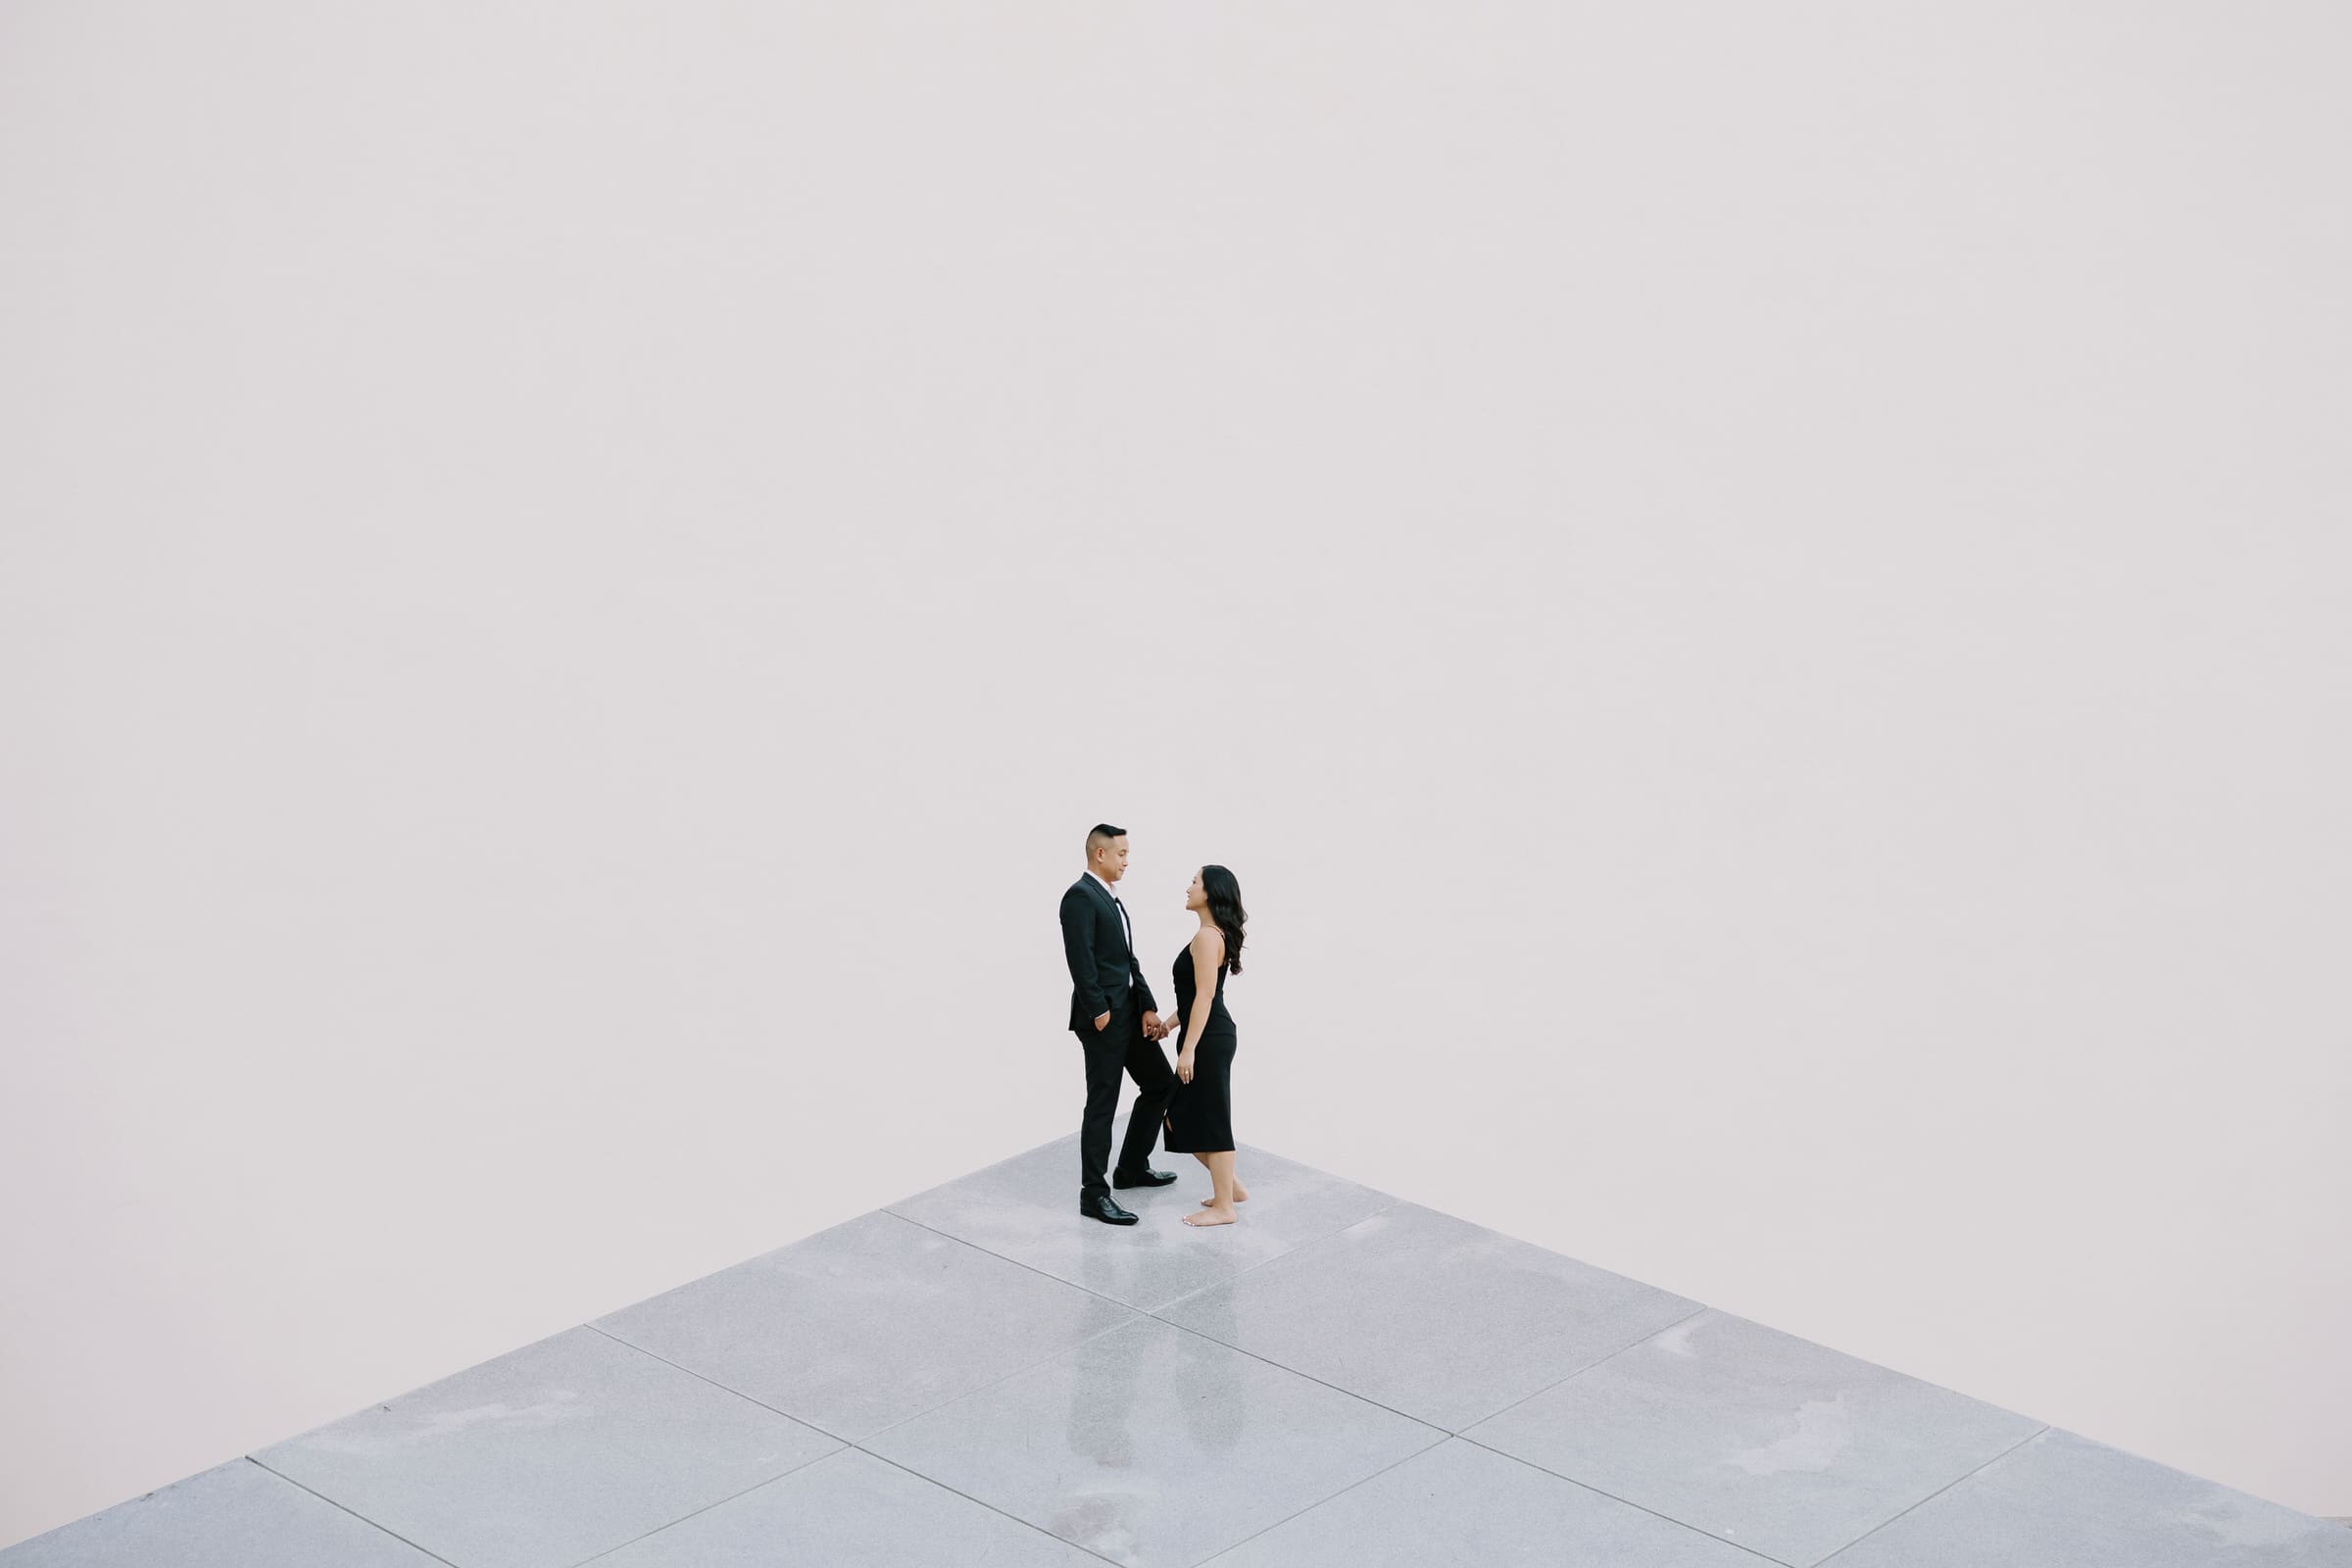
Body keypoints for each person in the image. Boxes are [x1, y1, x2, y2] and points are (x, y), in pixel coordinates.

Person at [1058, 823, 1179, 1225]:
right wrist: (1099, 1011)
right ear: (1100, 855)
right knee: (1103, 1104)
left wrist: (1147, 1005)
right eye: (1122, 853)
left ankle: (1130, 1167)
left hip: (1129, 1012)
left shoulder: (1112, 899)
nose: (1128, 861)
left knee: (1161, 1083)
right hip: (1104, 1020)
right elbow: (1081, 960)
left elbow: (1128, 961)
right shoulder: (1079, 897)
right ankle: (1093, 1193)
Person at [1162, 864, 1248, 1225]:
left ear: (1210, 892)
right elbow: (1195, 997)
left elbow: (1206, 996)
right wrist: (1169, 1024)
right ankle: (1232, 1188)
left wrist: (1188, 1048)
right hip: (1209, 1033)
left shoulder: (1207, 937)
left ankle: (1225, 1207)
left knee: (1212, 1118)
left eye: (1194, 882)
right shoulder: (1211, 935)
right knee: (1176, 1118)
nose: (1188, 888)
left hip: (1208, 1038)